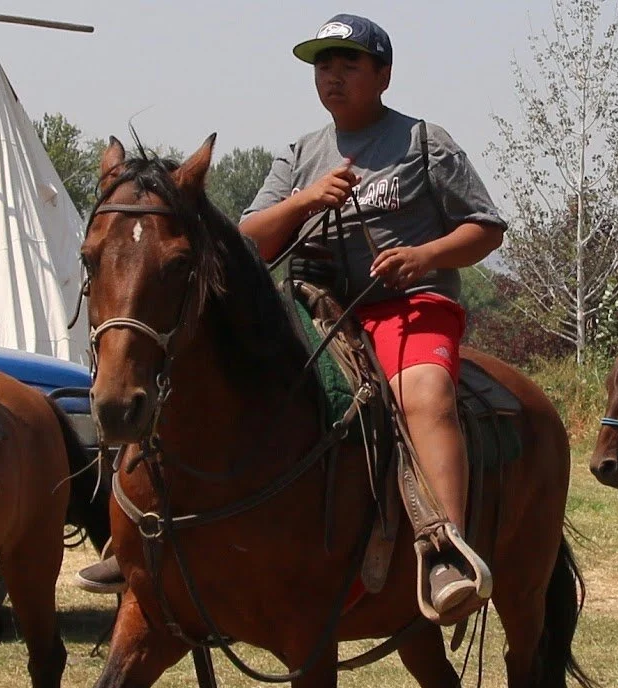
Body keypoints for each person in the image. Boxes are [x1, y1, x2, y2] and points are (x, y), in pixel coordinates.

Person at [72, 15, 509, 623]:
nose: (332, 76)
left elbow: (486, 227)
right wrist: (307, 198)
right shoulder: (302, 154)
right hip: (310, 307)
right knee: (199, 379)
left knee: (425, 395)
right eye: (323, 66)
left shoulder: (423, 142)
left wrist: (424, 256)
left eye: (348, 64)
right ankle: (144, 535)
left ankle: (443, 550)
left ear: (383, 75)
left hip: (405, 307)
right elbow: (248, 238)